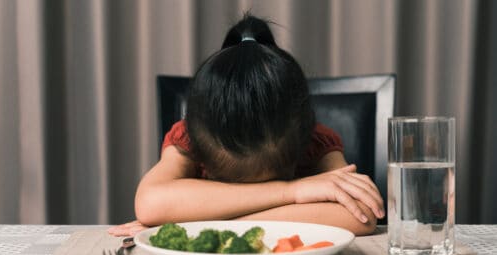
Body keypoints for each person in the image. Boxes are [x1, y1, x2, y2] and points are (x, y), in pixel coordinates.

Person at [108, 14, 384, 237]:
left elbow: (360, 215)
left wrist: (197, 222)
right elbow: (150, 203)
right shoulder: (189, 138)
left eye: (271, 182)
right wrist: (291, 192)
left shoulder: (316, 140)